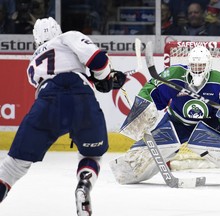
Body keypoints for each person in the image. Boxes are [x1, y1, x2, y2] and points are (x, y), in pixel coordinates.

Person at [0, 17, 126, 216]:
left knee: (13, 166)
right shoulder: (68, 37)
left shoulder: (32, 63)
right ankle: (84, 185)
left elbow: (59, 76)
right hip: (81, 97)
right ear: (58, 30)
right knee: (91, 154)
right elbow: (98, 61)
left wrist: (100, 78)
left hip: (46, 101)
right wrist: (106, 78)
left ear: (36, 39)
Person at [110, 46, 220, 185]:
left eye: (201, 65)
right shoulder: (174, 74)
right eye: (194, 65)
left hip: (209, 124)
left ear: (208, 65)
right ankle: (134, 165)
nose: (197, 68)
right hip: (177, 122)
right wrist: (142, 112)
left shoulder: (219, 80)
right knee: (151, 148)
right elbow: (151, 90)